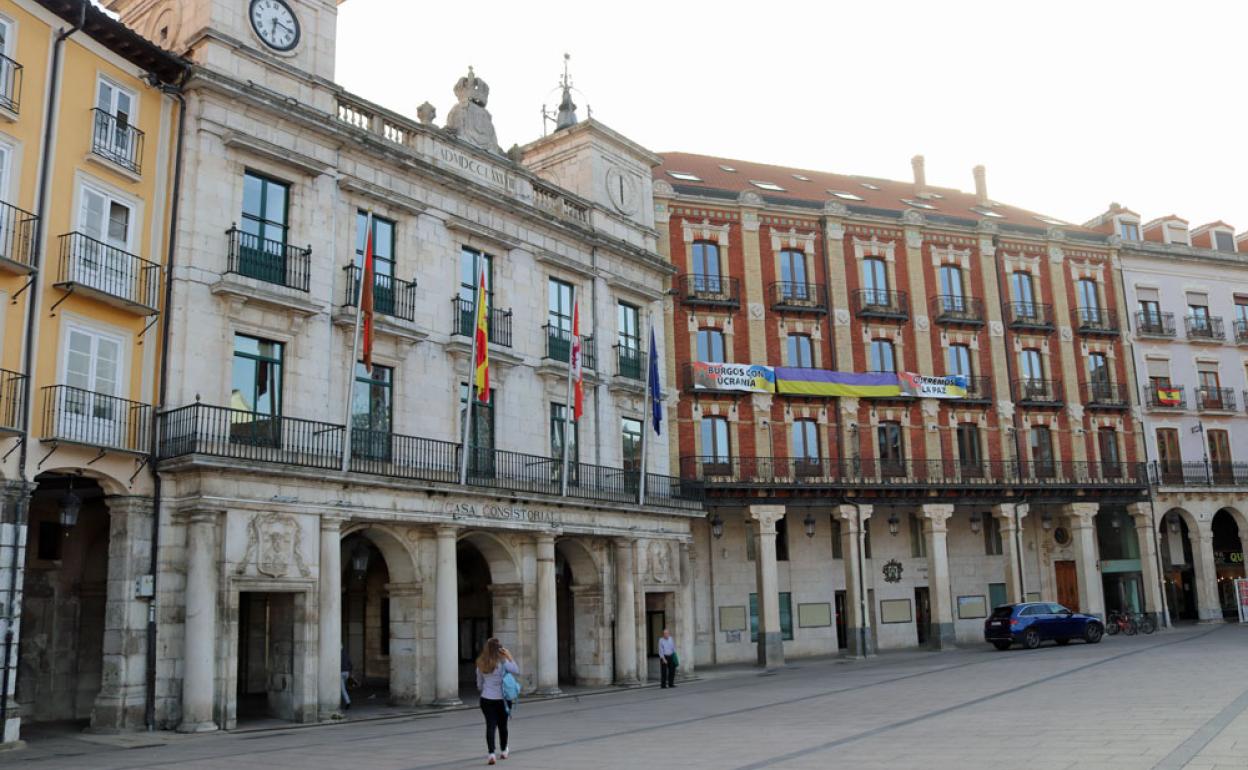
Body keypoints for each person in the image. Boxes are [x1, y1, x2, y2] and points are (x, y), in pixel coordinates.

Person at [476, 637, 519, 765]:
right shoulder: (503, 662)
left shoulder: (481, 663)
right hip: (502, 700)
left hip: (486, 699)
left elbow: (479, 683)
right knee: (502, 725)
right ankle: (504, 750)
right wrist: (509, 655)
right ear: (500, 649)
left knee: (490, 725)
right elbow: (517, 670)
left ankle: (491, 754)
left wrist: (485, 689)